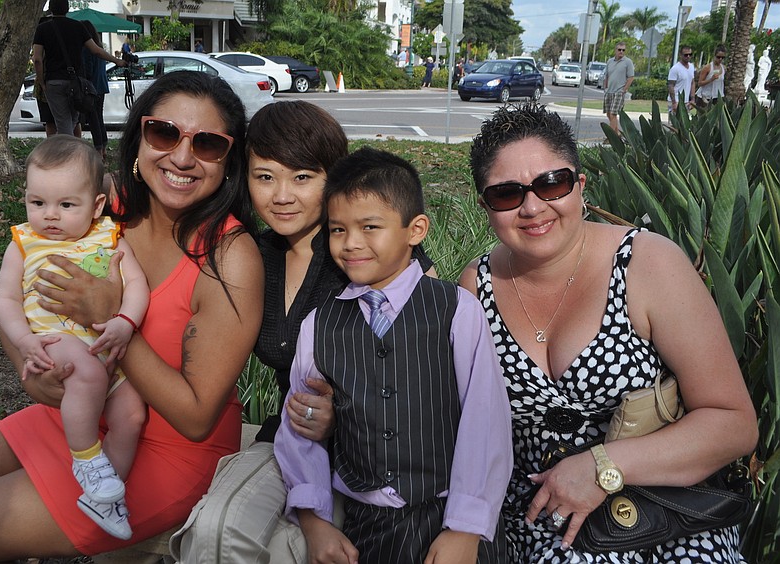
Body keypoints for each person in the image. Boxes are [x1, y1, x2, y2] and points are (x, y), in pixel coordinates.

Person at [0, 70, 263, 560]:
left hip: (167, 452)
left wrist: (112, 319)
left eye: (208, 143)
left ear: (228, 160)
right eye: (164, 133)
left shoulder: (228, 256)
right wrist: (31, 367)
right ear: (138, 137)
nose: (183, 157)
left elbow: (195, 419)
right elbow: (25, 295)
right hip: (78, 416)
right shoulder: (103, 212)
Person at [459, 103, 758, 562]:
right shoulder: (476, 286)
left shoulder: (648, 264)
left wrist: (605, 466)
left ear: (580, 185)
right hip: (537, 527)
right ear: (485, 207)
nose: (532, 207)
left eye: (551, 183)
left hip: (660, 521)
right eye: (506, 194)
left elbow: (733, 424)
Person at [169, 101, 437, 564]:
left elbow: (427, 385)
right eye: (265, 176)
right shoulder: (254, 255)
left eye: (302, 177)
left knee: (291, 550)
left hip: (378, 460)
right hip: (289, 443)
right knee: (214, 530)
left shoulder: (369, 255)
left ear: (333, 178)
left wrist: (347, 415)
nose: (281, 196)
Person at [275, 146, 513, 564]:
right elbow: (300, 431)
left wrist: (466, 527)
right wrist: (315, 521)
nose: (351, 244)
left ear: (415, 229)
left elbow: (485, 420)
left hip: (451, 519)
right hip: (367, 527)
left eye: (370, 227)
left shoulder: (456, 309)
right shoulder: (320, 324)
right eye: (337, 229)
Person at [0, 135, 149, 540]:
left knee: (132, 415)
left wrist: (125, 322)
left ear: (96, 205)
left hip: (105, 348)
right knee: (88, 374)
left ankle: (103, 496)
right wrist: (23, 341)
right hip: (53, 340)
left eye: (66, 205)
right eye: (37, 202)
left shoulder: (109, 238)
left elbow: (136, 286)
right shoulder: (24, 244)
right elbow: (6, 298)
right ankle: (86, 458)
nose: (49, 216)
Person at [32, 0, 126, 137]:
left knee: (63, 122)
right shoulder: (78, 27)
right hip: (76, 82)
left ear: (51, 9)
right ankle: (70, 152)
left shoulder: (42, 29)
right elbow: (96, 50)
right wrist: (117, 61)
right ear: (67, 9)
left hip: (54, 81)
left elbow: (37, 59)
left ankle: (66, 155)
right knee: (73, 120)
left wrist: (41, 82)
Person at [81, 19, 109, 160]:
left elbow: (88, 69)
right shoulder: (100, 48)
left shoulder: (86, 49)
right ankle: (103, 146)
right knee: (99, 118)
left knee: (93, 120)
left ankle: (98, 149)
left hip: (92, 88)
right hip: (102, 86)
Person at [602, 41, 634, 137]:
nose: (621, 52)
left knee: (613, 114)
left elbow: (631, 77)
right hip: (609, 91)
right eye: (619, 50)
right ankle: (617, 134)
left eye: (623, 50)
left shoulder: (628, 62)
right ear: (615, 50)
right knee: (608, 114)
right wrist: (606, 87)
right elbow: (607, 75)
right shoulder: (610, 61)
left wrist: (624, 90)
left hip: (619, 92)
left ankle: (611, 137)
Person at [667, 44, 696, 117]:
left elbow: (692, 83)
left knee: (685, 126)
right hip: (676, 101)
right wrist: (674, 102)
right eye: (686, 55)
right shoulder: (675, 69)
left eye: (690, 54)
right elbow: (671, 85)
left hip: (686, 102)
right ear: (680, 55)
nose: (688, 56)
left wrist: (692, 99)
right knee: (674, 126)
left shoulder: (691, 67)